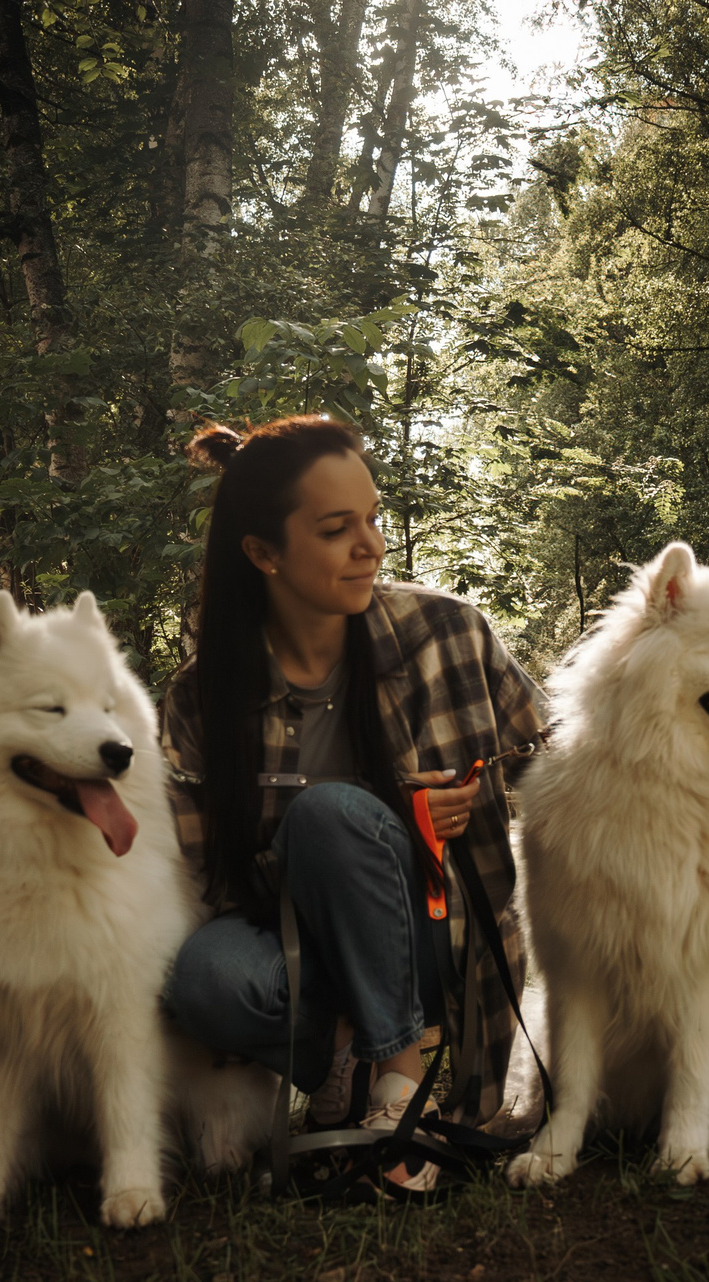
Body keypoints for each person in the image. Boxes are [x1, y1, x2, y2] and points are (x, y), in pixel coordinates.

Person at [160, 415, 549, 1165]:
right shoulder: (202, 696)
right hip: (306, 958)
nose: (371, 543)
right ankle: (362, 1055)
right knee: (207, 974)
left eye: (374, 518)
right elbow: (208, 883)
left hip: (447, 947)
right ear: (263, 552)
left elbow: (556, 770)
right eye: (338, 528)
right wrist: (396, 820)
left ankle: (403, 1090)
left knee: (330, 812)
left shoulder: (452, 634)